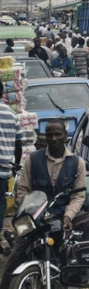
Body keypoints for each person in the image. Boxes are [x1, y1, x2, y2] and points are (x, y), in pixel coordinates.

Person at [0, 120, 89, 289]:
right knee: (16, 256)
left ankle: (88, 276)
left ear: (65, 136)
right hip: (37, 218)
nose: (54, 138)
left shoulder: (77, 162)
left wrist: (68, 216)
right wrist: (31, 211)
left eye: (58, 134)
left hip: (64, 214)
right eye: (49, 135)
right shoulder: (32, 159)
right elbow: (23, 190)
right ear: (44, 137)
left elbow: (78, 196)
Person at [0, 82, 22, 253]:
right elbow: (18, 143)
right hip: (5, 168)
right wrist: (16, 164)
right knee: (0, 203)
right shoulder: (11, 114)